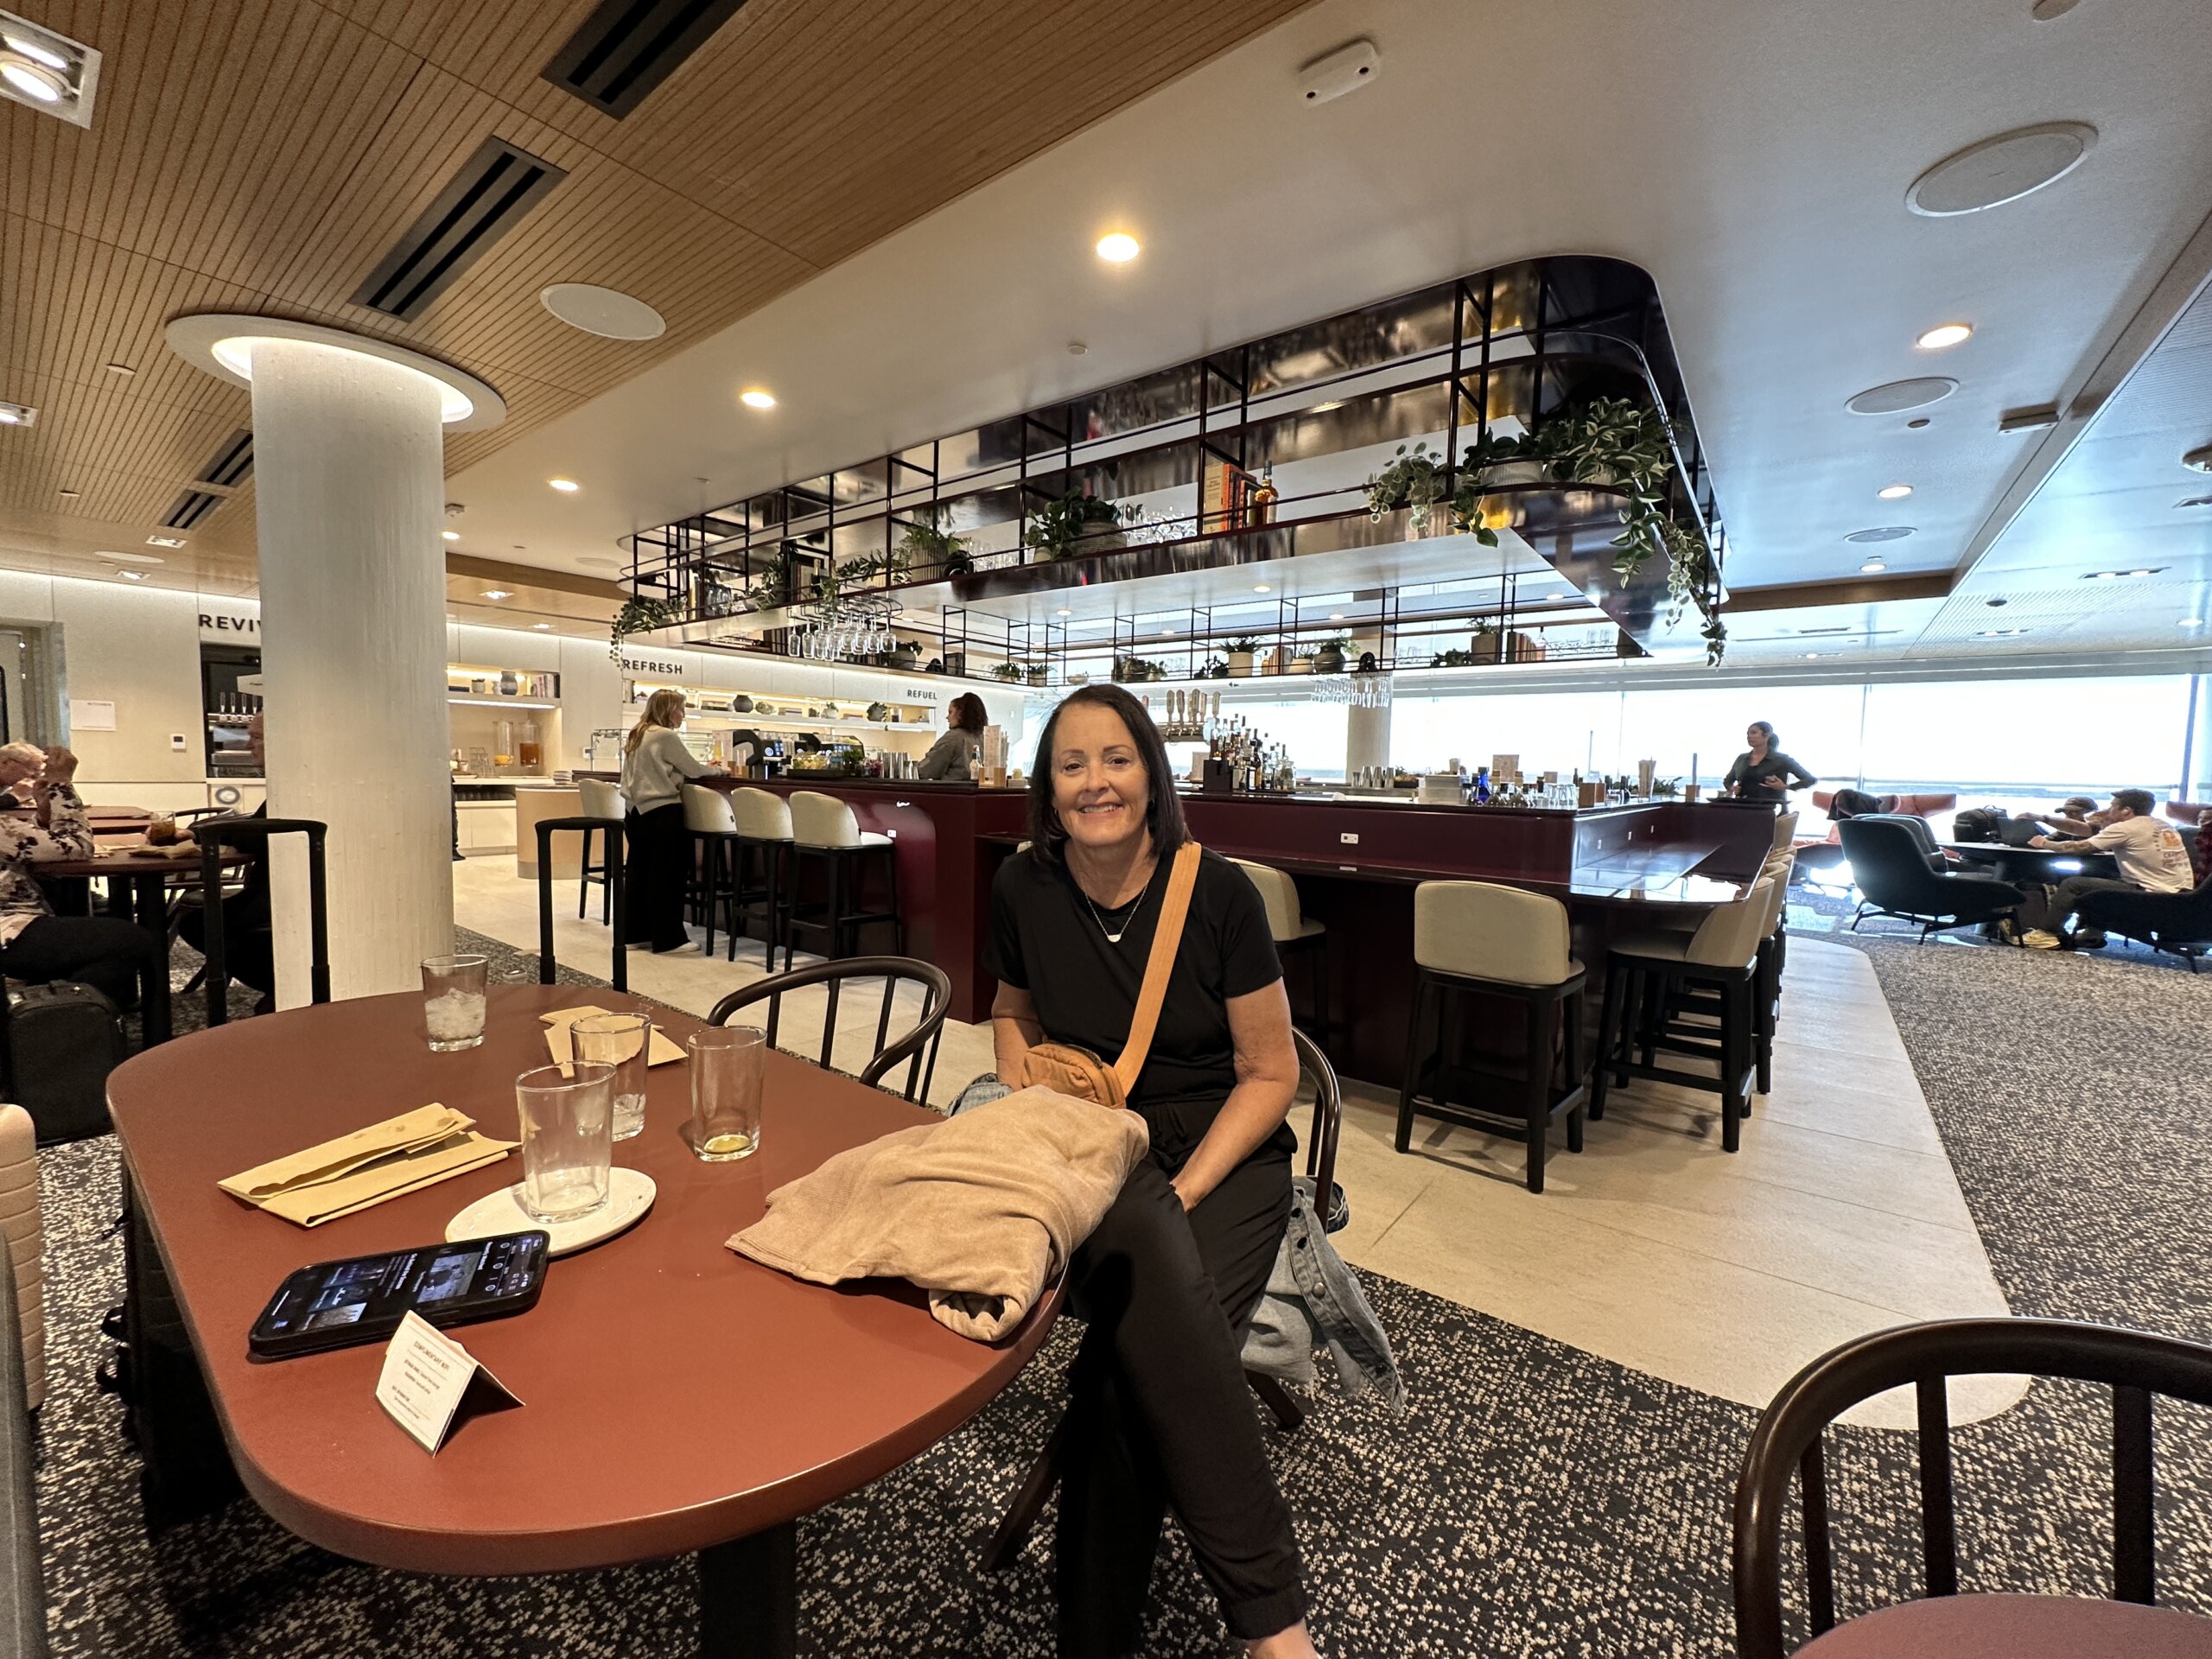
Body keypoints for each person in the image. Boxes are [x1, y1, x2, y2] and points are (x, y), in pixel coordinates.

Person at [985, 684, 1318, 1659]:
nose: (1096, 783)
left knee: (1129, 1375)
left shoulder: (1219, 893)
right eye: (1072, 765)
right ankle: (1278, 1630)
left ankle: (1111, 1634)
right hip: (1097, 1140)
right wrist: (1030, 1096)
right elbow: (1011, 1012)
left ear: (1151, 775)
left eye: (1116, 759)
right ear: (1048, 792)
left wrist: (1187, 1189)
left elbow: (1270, 1072)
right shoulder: (1023, 887)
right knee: (1151, 1349)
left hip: (1224, 1149)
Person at [0, 742, 164, 1010]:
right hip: (7, 926)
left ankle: (73, 1011)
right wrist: (62, 783)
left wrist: (43, 816)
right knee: (129, 940)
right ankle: (50, 1024)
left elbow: (21, 845)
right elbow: (77, 846)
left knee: (77, 920)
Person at [2016, 788, 2193, 949]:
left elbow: (2081, 848)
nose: (2109, 810)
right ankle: (2093, 933)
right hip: (2179, 894)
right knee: (2098, 876)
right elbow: (2088, 832)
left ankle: (2046, 933)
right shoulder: (2163, 825)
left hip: (2149, 894)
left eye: (2113, 806)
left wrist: (2044, 843)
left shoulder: (2126, 828)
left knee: (2073, 884)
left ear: (2126, 810)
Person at [179, 714, 274, 1007]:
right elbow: (252, 827)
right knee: (205, 922)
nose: (248, 745)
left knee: (197, 923)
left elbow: (255, 834)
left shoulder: (294, 786)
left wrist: (196, 833)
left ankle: (279, 983)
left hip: (281, 897)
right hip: (277, 893)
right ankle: (277, 983)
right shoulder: (287, 784)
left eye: (256, 738)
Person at [619, 690, 724, 954]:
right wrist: (719, 770)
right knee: (667, 876)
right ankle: (669, 939)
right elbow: (694, 769)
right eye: (680, 708)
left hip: (634, 813)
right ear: (667, 710)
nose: (683, 714)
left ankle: (634, 934)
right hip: (662, 811)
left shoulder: (638, 732)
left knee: (638, 875)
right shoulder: (665, 735)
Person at [1721, 721, 1816, 800]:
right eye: (1748, 733)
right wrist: (1732, 789)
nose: (1749, 736)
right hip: (1742, 807)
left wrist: (1786, 787)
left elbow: (1810, 780)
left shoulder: (1781, 759)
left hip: (1770, 809)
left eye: (1753, 733)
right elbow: (1728, 781)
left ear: (1766, 735)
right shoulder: (1742, 758)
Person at [915, 692, 988, 780]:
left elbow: (928, 769)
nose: (947, 717)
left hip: (951, 791)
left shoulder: (953, 737)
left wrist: (910, 770)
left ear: (961, 713)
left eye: (950, 712)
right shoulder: (983, 738)